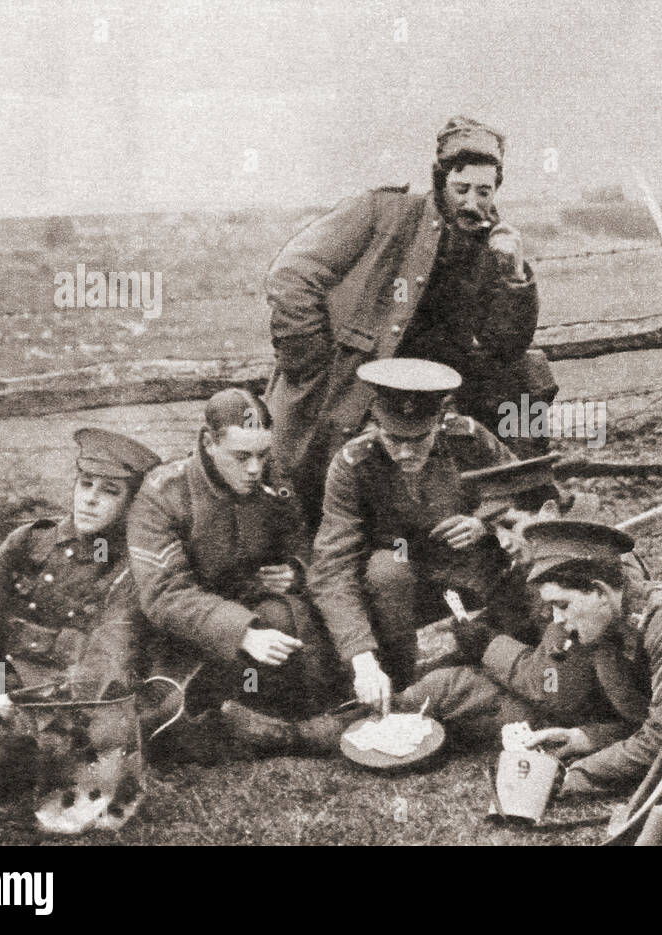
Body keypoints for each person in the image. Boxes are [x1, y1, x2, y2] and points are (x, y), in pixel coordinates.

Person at [265, 115, 551, 527]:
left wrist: (514, 274)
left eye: (484, 191)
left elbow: (505, 346)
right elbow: (292, 273)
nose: (472, 202)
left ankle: (519, 515)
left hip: (434, 390)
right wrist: (307, 358)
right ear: (441, 181)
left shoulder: (494, 243)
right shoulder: (384, 211)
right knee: (302, 496)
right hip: (353, 380)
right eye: (461, 188)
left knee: (528, 377)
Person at [0, 428, 160, 836]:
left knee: (1, 745)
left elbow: (98, 674)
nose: (90, 498)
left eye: (109, 491)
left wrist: (2, 704)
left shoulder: (131, 570)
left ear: (131, 504)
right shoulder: (29, 542)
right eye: (85, 484)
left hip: (67, 703)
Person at [398, 520, 662, 798]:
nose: (558, 620)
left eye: (562, 605)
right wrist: (582, 738)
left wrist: (576, 776)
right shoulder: (605, 622)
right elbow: (639, 719)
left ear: (599, 591)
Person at [127, 389, 346, 761]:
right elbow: (165, 594)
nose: (255, 469)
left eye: (263, 454)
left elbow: (304, 542)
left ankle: (287, 721)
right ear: (209, 442)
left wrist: (295, 571)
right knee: (169, 719)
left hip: (261, 615)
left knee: (288, 625)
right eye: (241, 456)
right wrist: (241, 631)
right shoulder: (164, 493)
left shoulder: (275, 479)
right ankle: (248, 722)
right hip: (189, 633)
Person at [307, 358, 516, 714]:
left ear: (439, 421)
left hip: (470, 570)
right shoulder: (353, 464)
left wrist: (484, 522)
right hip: (398, 588)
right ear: (375, 423)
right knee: (387, 568)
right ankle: (400, 681)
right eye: (393, 438)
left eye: (418, 438)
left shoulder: (467, 438)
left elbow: (523, 488)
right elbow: (332, 565)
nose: (404, 451)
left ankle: (497, 663)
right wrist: (362, 660)